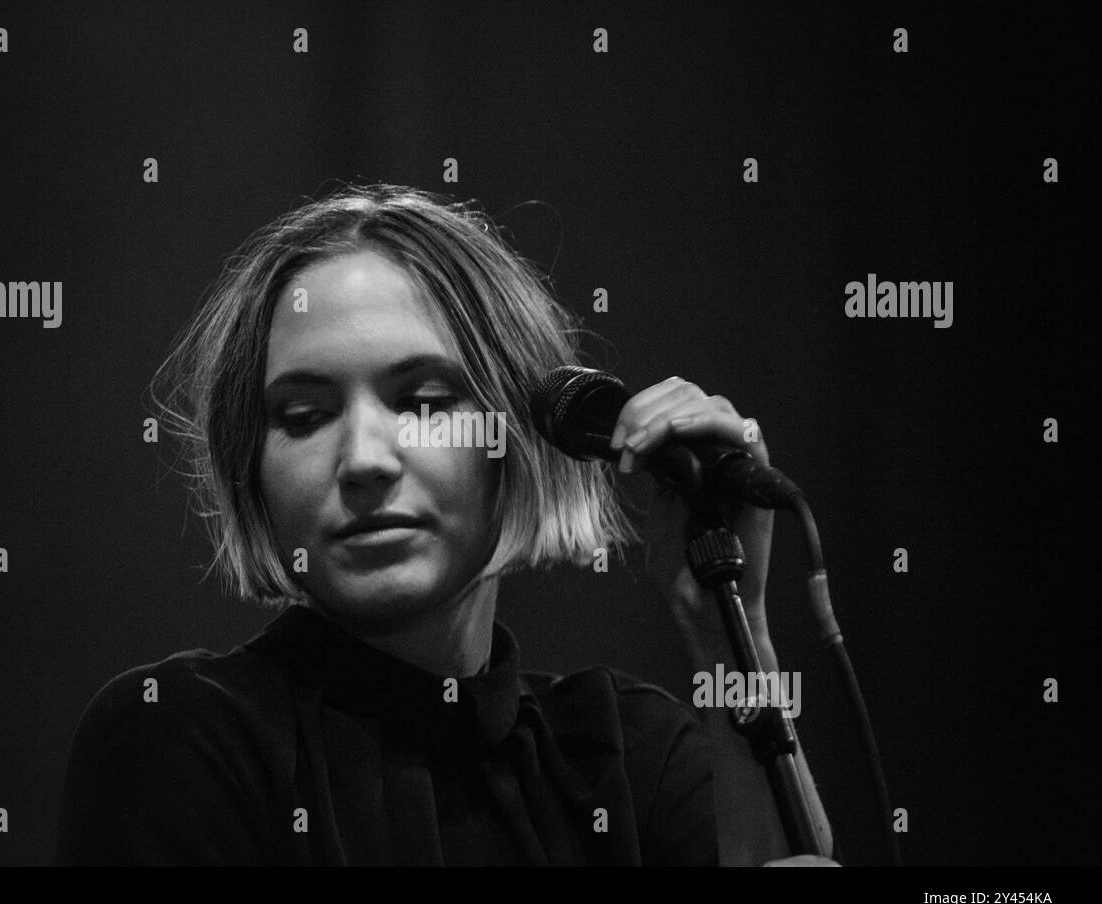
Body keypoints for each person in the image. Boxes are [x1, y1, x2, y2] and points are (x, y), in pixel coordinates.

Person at [55, 183, 835, 866]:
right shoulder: (179, 739)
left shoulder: (629, 756)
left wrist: (730, 623)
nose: (363, 459)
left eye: (425, 404)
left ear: (521, 440)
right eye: (304, 415)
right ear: (249, 470)